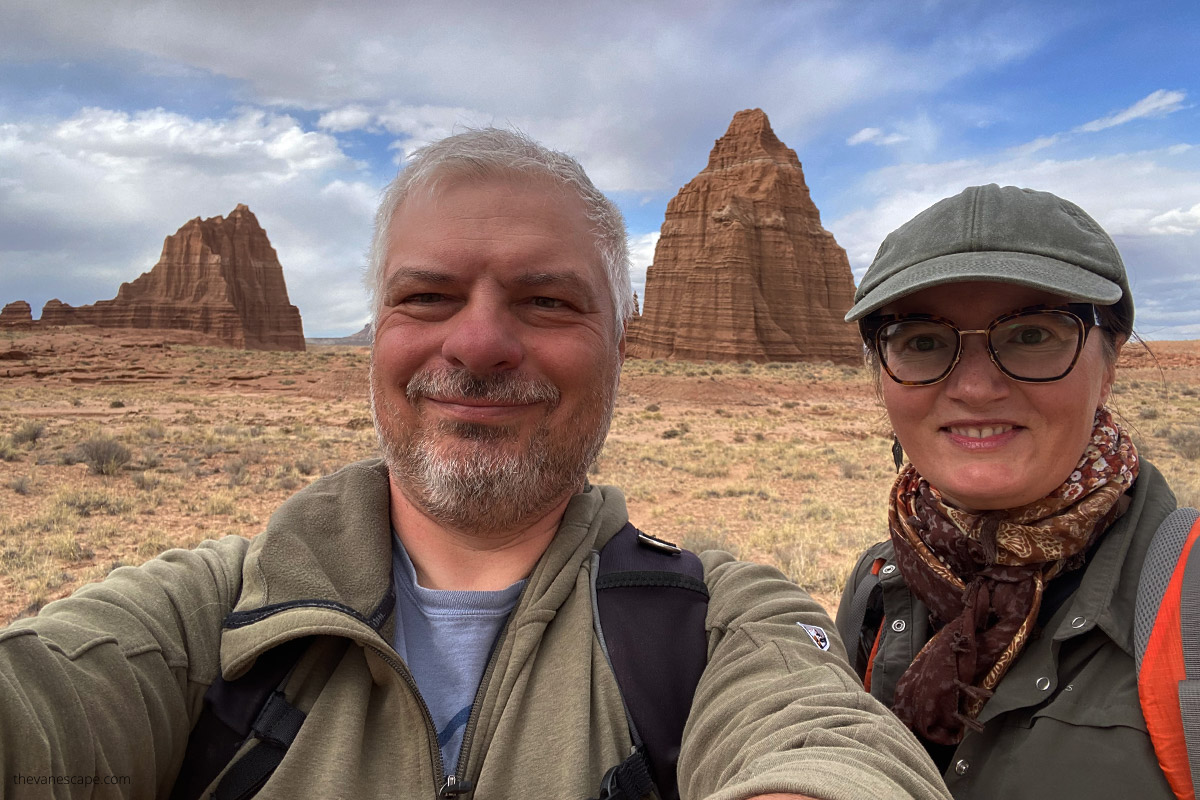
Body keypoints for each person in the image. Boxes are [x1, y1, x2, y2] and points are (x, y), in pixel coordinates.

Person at [0, 128, 949, 800]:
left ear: (626, 342)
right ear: (373, 335)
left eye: (545, 301)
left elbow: (824, 737)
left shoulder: (716, 623)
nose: (482, 342)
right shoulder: (205, 621)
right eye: (428, 295)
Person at [836, 184, 1179, 799]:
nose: (973, 386)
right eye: (921, 340)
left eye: (1031, 334)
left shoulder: (1189, 605)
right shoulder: (879, 583)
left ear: (1110, 364)